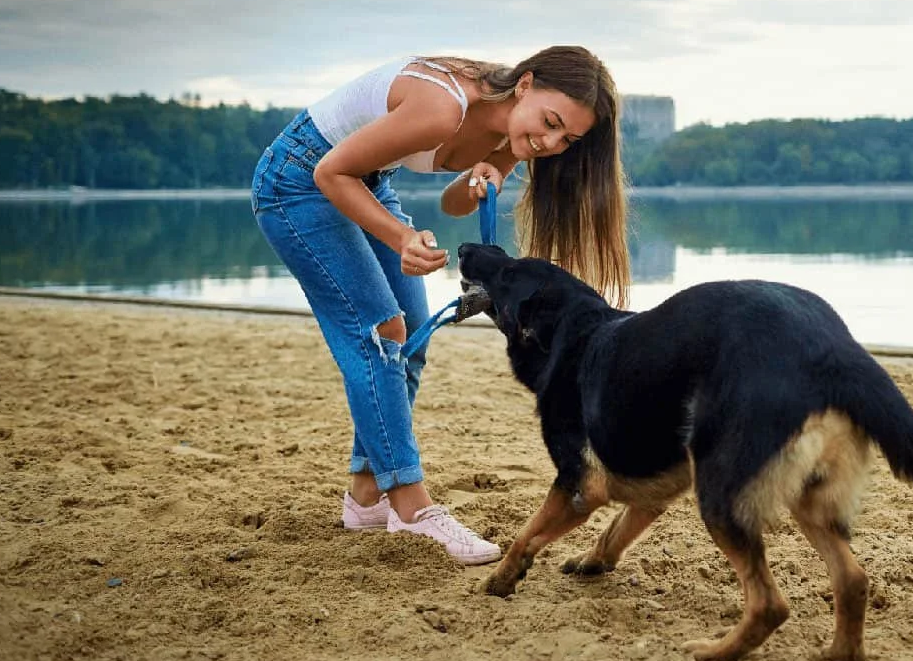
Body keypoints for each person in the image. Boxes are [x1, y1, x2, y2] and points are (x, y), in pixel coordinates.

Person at [250, 46, 630, 564]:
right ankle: (410, 506)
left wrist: (484, 180)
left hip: (367, 181)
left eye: (568, 138)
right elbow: (328, 173)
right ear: (525, 85)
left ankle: (365, 497)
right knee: (380, 333)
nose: (552, 142)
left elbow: (454, 202)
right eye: (551, 122)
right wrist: (403, 237)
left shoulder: (517, 135)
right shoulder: (442, 106)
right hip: (298, 180)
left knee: (409, 338)